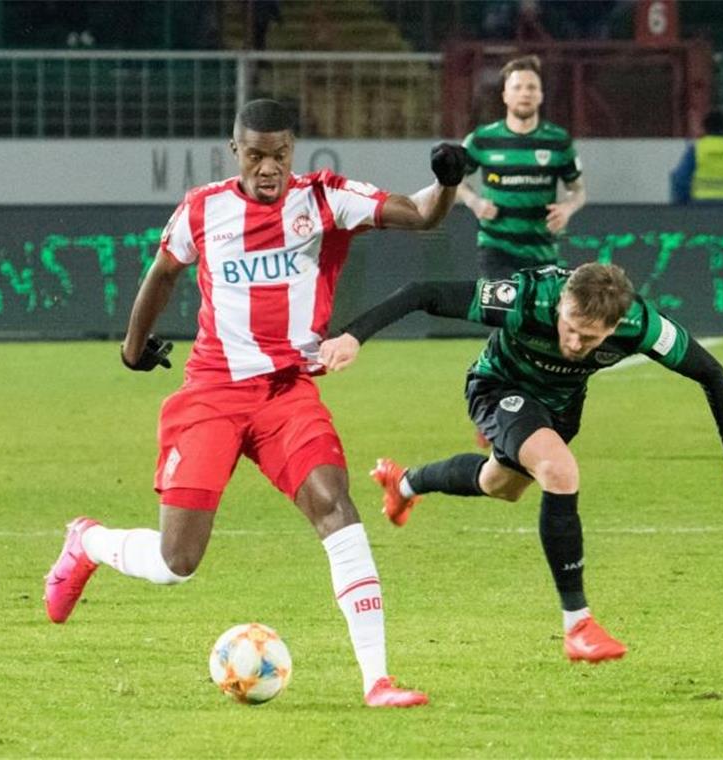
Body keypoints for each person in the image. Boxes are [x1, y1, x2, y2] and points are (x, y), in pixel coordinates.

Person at [42, 99, 470, 708]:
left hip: (287, 393)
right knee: (177, 561)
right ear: (234, 150)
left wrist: (448, 182)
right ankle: (88, 543)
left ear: (293, 150)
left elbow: (423, 214)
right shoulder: (203, 208)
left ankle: (377, 679)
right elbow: (163, 273)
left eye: (280, 154)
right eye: (256, 154)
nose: (269, 167)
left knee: (335, 505)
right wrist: (132, 348)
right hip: (213, 392)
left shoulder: (324, 199)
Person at [318, 263, 723, 663]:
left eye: (589, 337)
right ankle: (578, 625)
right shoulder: (528, 297)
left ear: (613, 329)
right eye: (569, 326)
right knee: (560, 470)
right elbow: (422, 292)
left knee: (500, 484)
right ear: (562, 305)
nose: (574, 342)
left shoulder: (643, 326)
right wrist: (354, 334)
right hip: (498, 388)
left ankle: (405, 484)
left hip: (559, 408)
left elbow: (709, 372)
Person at [457, 55, 587, 279]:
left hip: (542, 252)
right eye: (517, 87)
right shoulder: (482, 139)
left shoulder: (558, 141)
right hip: (496, 249)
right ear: (505, 96)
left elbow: (578, 191)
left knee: (536, 314)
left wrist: (567, 209)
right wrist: (474, 202)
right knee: (505, 308)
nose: (525, 93)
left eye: (531, 87)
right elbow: (454, 180)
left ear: (541, 95)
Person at [670, 111, 723, 205]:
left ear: (705, 128)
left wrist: (684, 202)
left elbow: (681, 179)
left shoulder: (696, 149)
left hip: (700, 204)